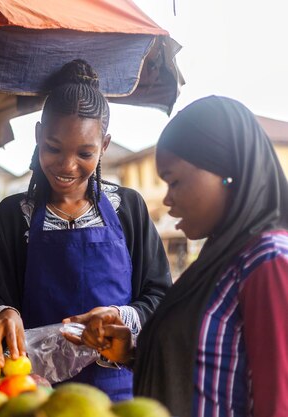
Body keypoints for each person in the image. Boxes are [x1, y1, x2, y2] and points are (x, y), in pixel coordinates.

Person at [0, 59, 172, 401]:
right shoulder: (17, 214)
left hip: (121, 396)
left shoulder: (129, 208)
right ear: (38, 135)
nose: (67, 166)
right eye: (54, 148)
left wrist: (122, 315)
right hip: (33, 393)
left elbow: (161, 297)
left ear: (104, 145)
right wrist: (0, 312)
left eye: (85, 153)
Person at [70, 96, 288, 417]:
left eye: (174, 181)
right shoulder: (219, 260)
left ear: (225, 171)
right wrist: (129, 351)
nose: (168, 199)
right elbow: (209, 366)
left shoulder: (267, 261)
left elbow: (279, 401)